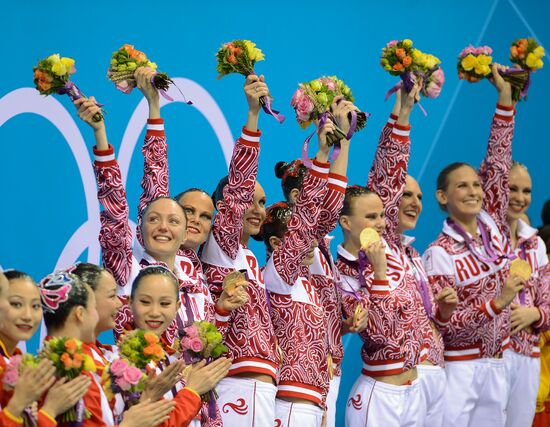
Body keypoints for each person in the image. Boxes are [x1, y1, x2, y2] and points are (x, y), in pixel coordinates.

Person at [422, 64, 521, 426]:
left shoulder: (493, 223)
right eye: (462, 186)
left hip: (500, 362)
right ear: (442, 196)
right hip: (461, 367)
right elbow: (445, 324)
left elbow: (498, 160)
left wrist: (504, 98)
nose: (474, 191)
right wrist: (498, 304)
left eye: (476, 185)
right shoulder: (438, 253)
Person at [338, 79, 433, 427]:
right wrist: (378, 276)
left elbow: (389, 174)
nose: (381, 223)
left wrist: (403, 113)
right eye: (371, 217)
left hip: (413, 390)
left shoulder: (390, 246)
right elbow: (377, 333)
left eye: (382, 215)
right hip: (378, 395)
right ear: (346, 223)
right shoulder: (344, 270)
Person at [273, 98, 365, 427]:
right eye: (317, 190)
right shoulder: (291, 248)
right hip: (296, 381)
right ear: (300, 197)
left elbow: (317, 312)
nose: (328, 202)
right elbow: (324, 209)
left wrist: (343, 319)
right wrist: (333, 148)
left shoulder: (323, 251)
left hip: (326, 371)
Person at [200, 75, 279, 427]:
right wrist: (253, 116)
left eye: (262, 202)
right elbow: (237, 191)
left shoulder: (250, 257)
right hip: (234, 384)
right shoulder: (221, 248)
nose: (257, 209)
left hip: (264, 388)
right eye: (250, 200)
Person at [128, 265, 232, 426]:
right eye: (145, 302)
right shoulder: (123, 361)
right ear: (130, 302)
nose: (155, 312)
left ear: (176, 308)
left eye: (164, 303)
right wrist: (192, 391)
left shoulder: (169, 359)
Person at [0, 270, 90, 427]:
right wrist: (50, 410)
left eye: (35, 306)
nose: (28, 316)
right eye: (16, 304)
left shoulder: (23, 363)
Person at [503, 161, 550, 427]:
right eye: (513, 189)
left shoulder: (536, 245)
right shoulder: (480, 240)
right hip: (489, 357)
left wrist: (535, 313)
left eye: (527, 191)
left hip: (528, 358)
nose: (521, 198)